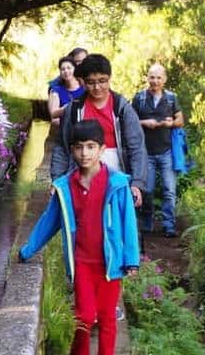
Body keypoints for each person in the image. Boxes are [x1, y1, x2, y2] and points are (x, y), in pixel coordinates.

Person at [19, 120, 140, 355]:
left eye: (91, 146)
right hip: (81, 262)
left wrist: (131, 259)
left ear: (102, 149)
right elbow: (49, 221)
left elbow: (128, 223)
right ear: (72, 150)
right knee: (84, 317)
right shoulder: (65, 186)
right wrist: (27, 250)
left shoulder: (117, 184)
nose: (85, 153)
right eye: (79, 147)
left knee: (107, 318)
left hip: (110, 263)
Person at [50, 54, 147, 209]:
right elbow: (62, 146)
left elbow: (137, 147)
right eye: (91, 82)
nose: (97, 87)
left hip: (116, 177)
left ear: (109, 78)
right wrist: (57, 180)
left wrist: (137, 183)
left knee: (113, 220)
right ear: (83, 82)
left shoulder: (121, 108)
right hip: (81, 178)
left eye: (102, 81)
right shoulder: (74, 109)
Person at [131, 64, 184, 238]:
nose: (155, 81)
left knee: (169, 190)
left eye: (159, 77)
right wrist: (144, 123)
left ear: (164, 79)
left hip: (167, 150)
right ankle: (147, 223)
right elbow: (129, 121)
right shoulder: (139, 98)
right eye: (152, 77)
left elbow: (180, 120)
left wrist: (171, 123)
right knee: (147, 190)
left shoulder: (171, 98)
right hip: (146, 152)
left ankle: (169, 225)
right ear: (147, 78)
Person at [48, 56, 85, 126]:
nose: (66, 71)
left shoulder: (84, 87)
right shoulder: (56, 91)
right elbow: (53, 114)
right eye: (63, 69)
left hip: (84, 125)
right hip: (65, 126)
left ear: (74, 69)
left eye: (69, 68)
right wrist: (68, 108)